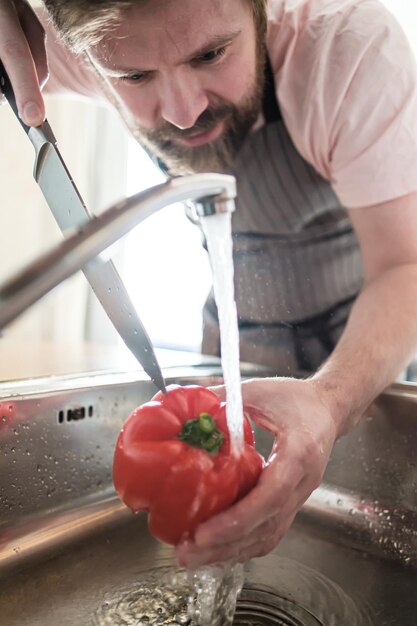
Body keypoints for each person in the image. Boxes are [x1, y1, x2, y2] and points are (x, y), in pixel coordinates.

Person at [2, 0, 417, 568]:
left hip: (362, 364)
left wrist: (329, 400)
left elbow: (405, 267)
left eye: (211, 54)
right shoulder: (68, 44)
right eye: (134, 75)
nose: (181, 111)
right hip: (227, 353)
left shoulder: (345, 55)